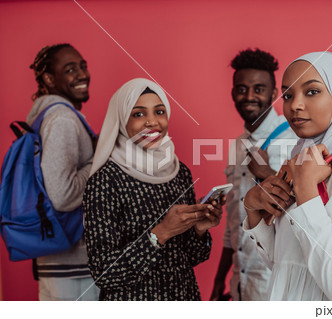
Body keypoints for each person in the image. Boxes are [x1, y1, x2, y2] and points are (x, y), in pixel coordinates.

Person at [242, 52, 332, 300]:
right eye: (287, 95)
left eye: (312, 91)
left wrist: (307, 189)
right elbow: (285, 265)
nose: (295, 105)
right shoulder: (302, 158)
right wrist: (253, 210)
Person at [83, 78, 223, 301]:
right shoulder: (105, 180)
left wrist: (199, 229)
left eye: (159, 112)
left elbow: (192, 257)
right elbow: (104, 273)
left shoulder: (179, 172)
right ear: (121, 119)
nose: (152, 122)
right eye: (138, 114)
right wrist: (161, 233)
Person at [210, 49, 297, 301]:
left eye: (259, 89)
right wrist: (220, 279)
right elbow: (233, 220)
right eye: (242, 89)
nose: (249, 96)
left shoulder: (293, 139)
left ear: (272, 94)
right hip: (241, 281)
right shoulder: (238, 145)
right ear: (232, 92)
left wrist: (265, 174)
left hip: (276, 282)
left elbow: (305, 210)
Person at [27, 43, 99, 300]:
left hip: (61, 262)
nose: (82, 74)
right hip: (72, 267)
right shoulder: (62, 119)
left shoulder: (51, 116)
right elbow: (62, 195)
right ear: (49, 78)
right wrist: (99, 160)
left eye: (83, 66)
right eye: (70, 69)